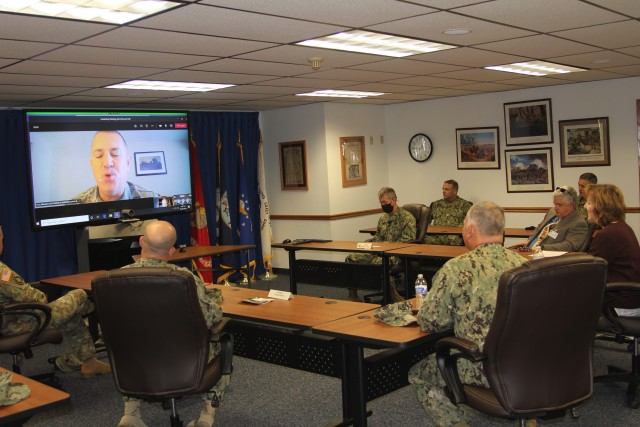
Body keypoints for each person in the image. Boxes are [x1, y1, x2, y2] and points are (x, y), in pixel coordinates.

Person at [408, 201, 527, 426]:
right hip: (527, 362)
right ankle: (529, 420)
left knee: (418, 374)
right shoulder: (524, 265)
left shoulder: (456, 268)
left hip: (480, 365)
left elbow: (430, 322)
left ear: (470, 229)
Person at [118, 220, 227, 427]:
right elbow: (210, 316)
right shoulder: (184, 278)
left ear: (141, 241)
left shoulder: (114, 278)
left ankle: (131, 415)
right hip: (182, 359)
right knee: (220, 341)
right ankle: (206, 416)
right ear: (171, 251)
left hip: (134, 360)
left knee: (132, 342)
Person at [0, 226, 111, 378]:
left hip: (9, 320)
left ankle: (87, 361)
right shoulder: (2, 273)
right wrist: (42, 296)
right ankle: (88, 309)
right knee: (79, 295)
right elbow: (35, 298)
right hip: (20, 323)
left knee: (72, 312)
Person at [345, 187, 416, 303]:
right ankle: (353, 296)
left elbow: (408, 241)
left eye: (385, 202)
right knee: (351, 258)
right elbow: (378, 237)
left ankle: (394, 296)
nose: (383, 205)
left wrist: (387, 246)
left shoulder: (407, 217)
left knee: (378, 263)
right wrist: (368, 245)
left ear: (394, 200)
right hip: (379, 251)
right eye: (381, 203)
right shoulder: (383, 219)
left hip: (397, 253)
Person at [585, 184, 640, 316]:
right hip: (629, 298)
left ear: (600, 207)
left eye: (588, 202)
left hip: (619, 303)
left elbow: (587, 271)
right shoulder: (622, 227)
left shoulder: (609, 234)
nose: (585, 206)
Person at [74, 131, 157, 203]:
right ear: (92, 166)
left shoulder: (153, 200)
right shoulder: (73, 208)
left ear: (127, 163)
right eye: (99, 156)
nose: (107, 163)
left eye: (115, 154)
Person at [512, 185, 588, 252]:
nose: (555, 208)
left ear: (571, 205)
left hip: (545, 257)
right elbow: (539, 228)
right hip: (527, 250)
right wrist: (529, 240)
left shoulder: (578, 222)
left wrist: (541, 248)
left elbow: (570, 245)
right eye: (554, 204)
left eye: (559, 205)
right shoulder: (552, 212)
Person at [424, 180, 472, 246]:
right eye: (443, 189)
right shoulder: (436, 204)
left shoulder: (465, 205)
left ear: (455, 191)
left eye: (446, 189)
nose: (443, 191)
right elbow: (426, 222)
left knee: (457, 241)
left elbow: (470, 222)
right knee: (424, 238)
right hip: (436, 236)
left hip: (454, 237)